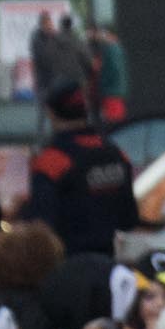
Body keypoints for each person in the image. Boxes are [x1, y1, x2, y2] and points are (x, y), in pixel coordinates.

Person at [20, 87, 137, 261]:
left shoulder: (52, 162)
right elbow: (129, 220)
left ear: (51, 114)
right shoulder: (118, 155)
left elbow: (40, 227)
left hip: (65, 265)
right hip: (106, 262)